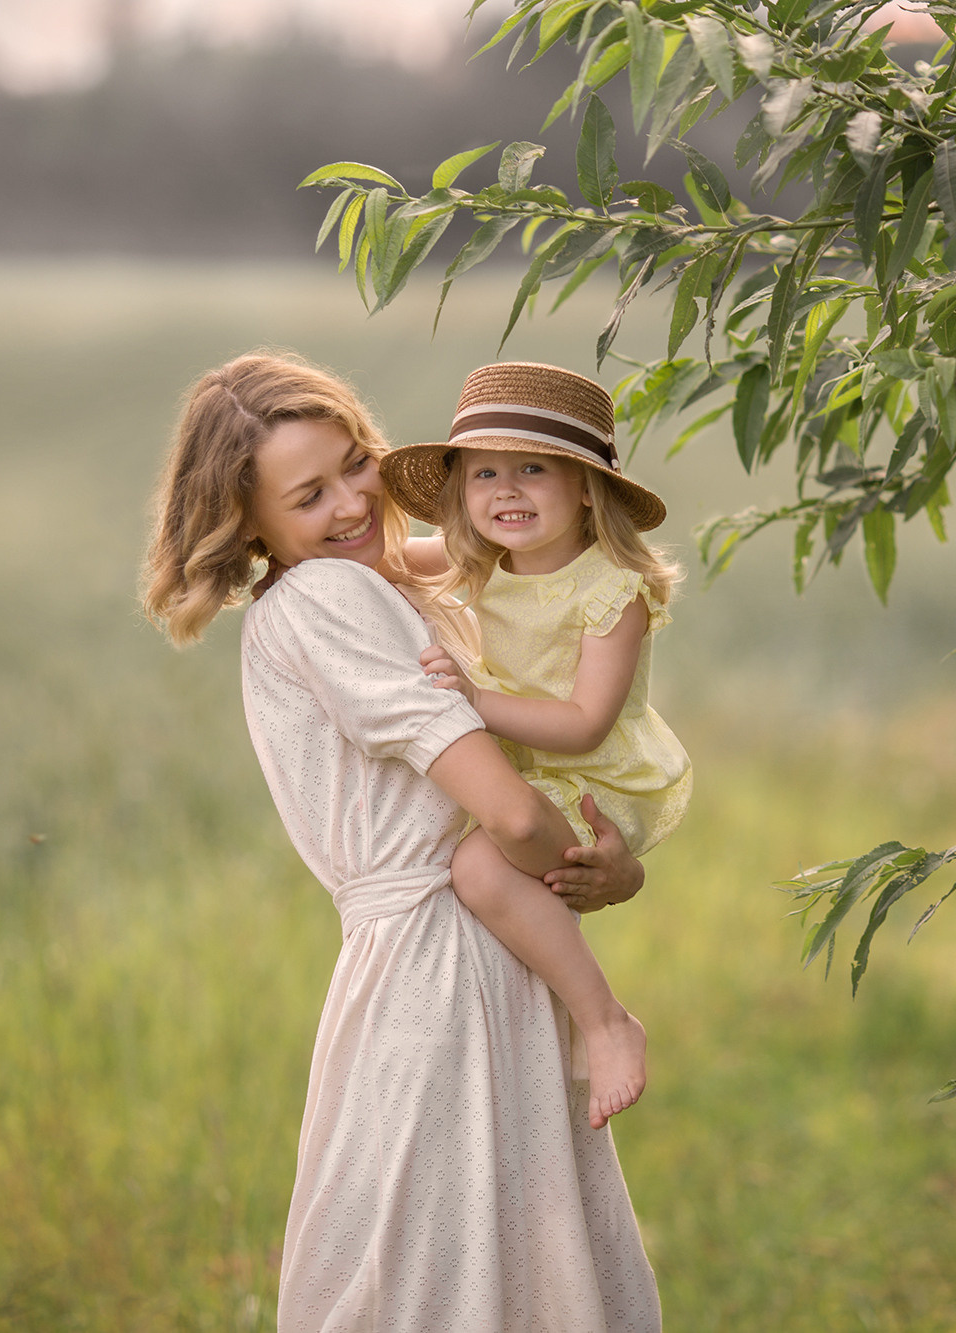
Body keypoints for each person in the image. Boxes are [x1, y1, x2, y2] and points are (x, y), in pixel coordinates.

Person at [141, 351, 661, 1332]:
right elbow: (504, 815)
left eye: (355, 463)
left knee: (471, 1272)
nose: (349, 502)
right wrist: (599, 869)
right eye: (307, 493)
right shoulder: (330, 600)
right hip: (440, 964)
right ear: (246, 519)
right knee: (441, 1279)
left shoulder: (369, 582)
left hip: (466, 947)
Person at [379, 362, 691, 1132]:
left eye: (532, 470)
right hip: (525, 771)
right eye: (484, 473)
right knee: (484, 855)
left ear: (587, 487)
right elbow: (379, 563)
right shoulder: (476, 559)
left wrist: (480, 701)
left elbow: (586, 721)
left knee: (480, 864)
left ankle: (607, 1019)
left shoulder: (611, 590)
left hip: (592, 778)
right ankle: (552, 1013)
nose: (506, 491)